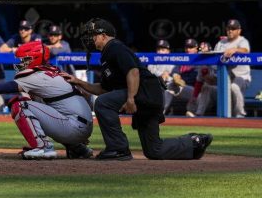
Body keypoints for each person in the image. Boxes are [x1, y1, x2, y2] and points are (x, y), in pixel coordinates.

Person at [64, 18, 213, 160]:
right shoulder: (107, 54)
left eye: (93, 35)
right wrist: (77, 81)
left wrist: (130, 98)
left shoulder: (114, 47)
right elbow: (103, 88)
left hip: (145, 94)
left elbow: (133, 71)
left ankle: (118, 149)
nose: (90, 39)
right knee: (154, 150)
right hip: (147, 96)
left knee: (103, 103)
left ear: (103, 36)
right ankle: (194, 143)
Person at [0, 41, 93, 160]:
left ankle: (43, 147)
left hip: (73, 125)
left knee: (20, 105)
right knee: (34, 99)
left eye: (24, 59)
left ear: (34, 59)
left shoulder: (35, 76)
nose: (21, 62)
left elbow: (1, 88)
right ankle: (77, 148)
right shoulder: (53, 70)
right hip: (80, 123)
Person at [214, 19, 251, 118]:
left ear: (239, 31)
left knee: (234, 87)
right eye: (229, 28)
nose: (230, 30)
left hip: (241, 76)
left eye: (233, 29)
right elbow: (214, 56)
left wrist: (235, 49)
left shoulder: (242, 41)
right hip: (224, 76)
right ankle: (200, 114)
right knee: (208, 88)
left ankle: (240, 115)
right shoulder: (221, 42)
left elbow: (245, 50)